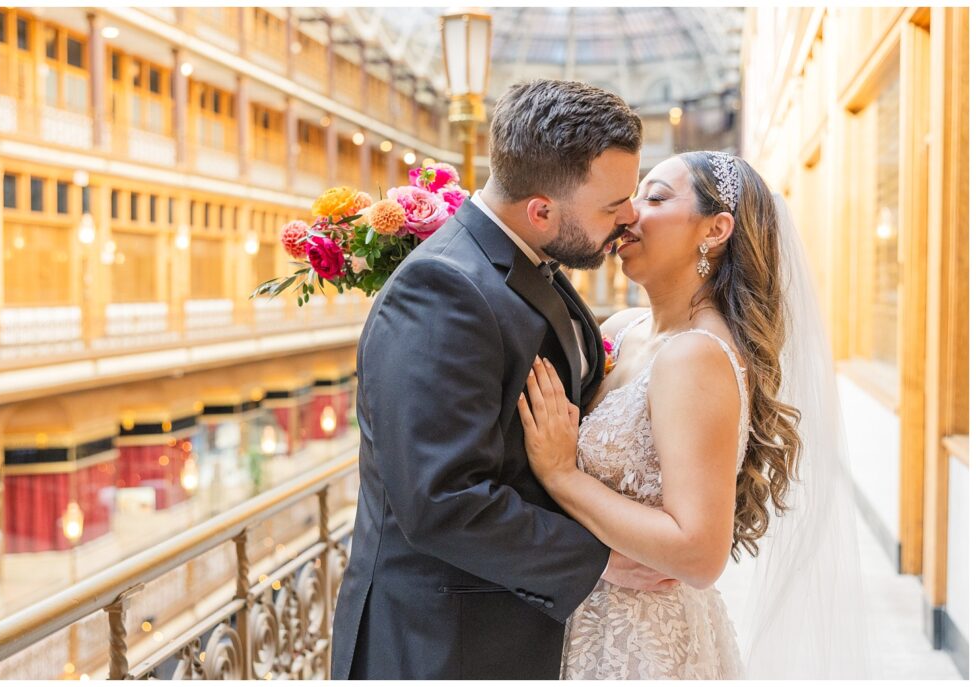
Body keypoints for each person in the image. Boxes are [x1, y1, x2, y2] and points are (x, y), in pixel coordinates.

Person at [330, 79, 668, 679]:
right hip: (443, 643)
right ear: (540, 211)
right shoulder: (442, 290)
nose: (630, 217)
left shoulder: (525, 256)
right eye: (613, 206)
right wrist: (600, 559)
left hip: (500, 624)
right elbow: (442, 500)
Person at [518, 151, 869, 679]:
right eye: (634, 196)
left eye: (656, 197)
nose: (630, 213)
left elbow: (698, 553)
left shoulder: (696, 355)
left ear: (716, 229)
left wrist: (562, 475)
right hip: (575, 612)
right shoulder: (621, 330)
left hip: (638, 641)